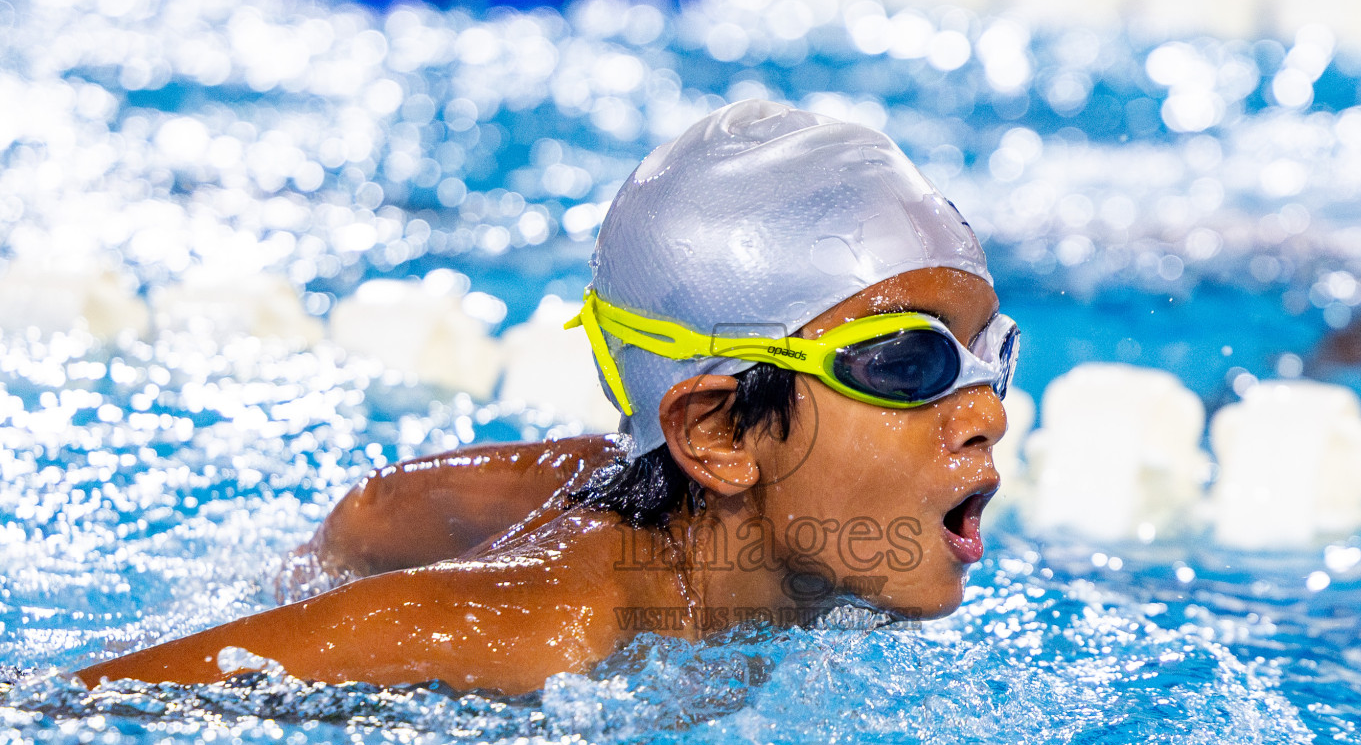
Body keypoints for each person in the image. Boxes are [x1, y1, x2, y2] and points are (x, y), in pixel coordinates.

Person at [77, 100, 1015, 696]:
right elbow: (59, 713)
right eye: (907, 364)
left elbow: (388, 504)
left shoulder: (627, 483)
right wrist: (288, 600)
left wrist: (323, 557)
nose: (988, 414)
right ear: (718, 432)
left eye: (990, 356)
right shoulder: (524, 633)